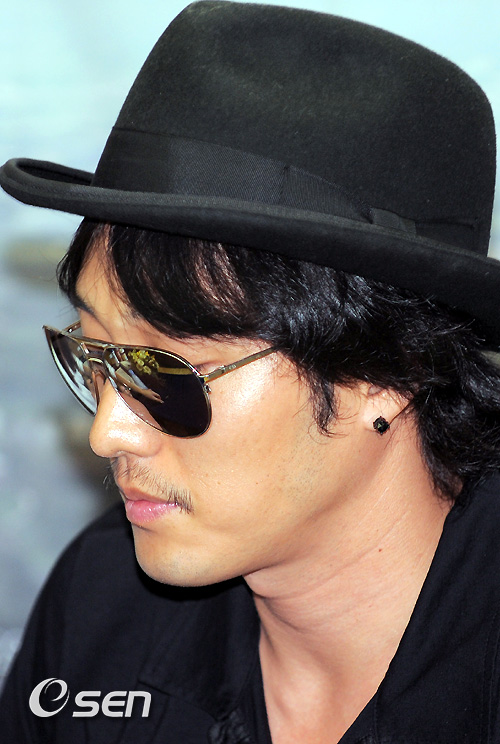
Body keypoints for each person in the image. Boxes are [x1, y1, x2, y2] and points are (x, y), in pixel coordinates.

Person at [1, 1, 500, 741]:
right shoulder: (101, 612)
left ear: (386, 372)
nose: (108, 433)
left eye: (168, 372)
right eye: (95, 356)